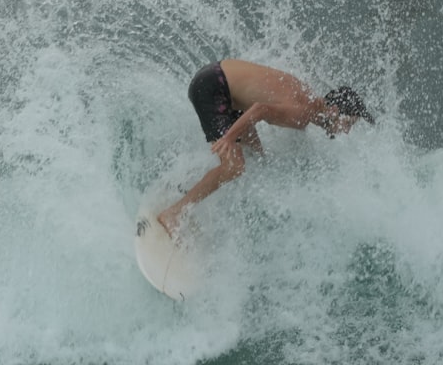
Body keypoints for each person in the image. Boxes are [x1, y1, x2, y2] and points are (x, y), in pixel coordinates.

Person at [157, 59, 373, 236]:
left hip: (219, 80)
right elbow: (260, 109)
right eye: (348, 123)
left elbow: (261, 105)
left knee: (256, 160)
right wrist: (229, 138)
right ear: (334, 110)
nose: (346, 131)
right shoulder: (302, 114)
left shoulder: (310, 100)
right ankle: (173, 214)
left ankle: (187, 187)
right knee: (235, 166)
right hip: (213, 89)